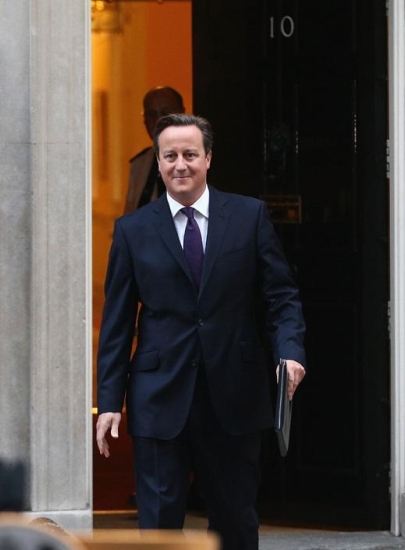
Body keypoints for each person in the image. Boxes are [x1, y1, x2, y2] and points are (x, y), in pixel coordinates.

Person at [95, 113, 307, 550]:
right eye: (170, 156)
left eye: (190, 154)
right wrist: (109, 401)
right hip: (159, 395)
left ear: (208, 158)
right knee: (158, 527)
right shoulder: (133, 231)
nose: (180, 165)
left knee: (235, 521)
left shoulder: (248, 217)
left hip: (234, 395)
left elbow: (281, 296)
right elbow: (117, 322)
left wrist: (291, 351)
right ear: (158, 163)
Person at [123, 86, 186, 214]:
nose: (158, 120)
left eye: (166, 113)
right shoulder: (139, 165)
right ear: (144, 119)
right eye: (151, 114)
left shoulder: (197, 161)